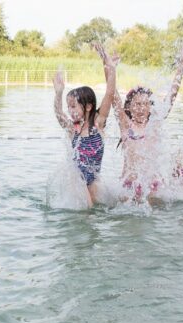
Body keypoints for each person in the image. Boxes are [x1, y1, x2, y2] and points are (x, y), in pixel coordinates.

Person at [112, 43, 183, 200]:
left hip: (153, 185)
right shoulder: (125, 125)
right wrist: (110, 69)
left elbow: (172, 95)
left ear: (150, 107)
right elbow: (114, 98)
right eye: (137, 104)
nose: (141, 108)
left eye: (145, 104)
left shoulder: (154, 124)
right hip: (129, 184)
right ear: (129, 107)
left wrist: (182, 62)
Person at [53, 42, 118, 206]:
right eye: (69, 106)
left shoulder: (98, 124)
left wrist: (112, 69)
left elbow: (110, 95)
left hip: (93, 179)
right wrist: (59, 92)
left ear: (88, 106)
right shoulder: (72, 128)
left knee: (98, 208)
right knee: (87, 208)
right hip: (76, 179)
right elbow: (58, 113)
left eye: (73, 106)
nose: (70, 110)